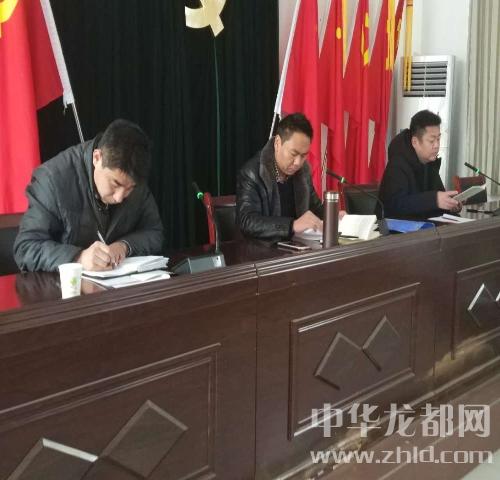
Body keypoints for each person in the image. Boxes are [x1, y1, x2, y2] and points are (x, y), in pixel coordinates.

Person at [14, 119, 164, 272]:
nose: (119, 197)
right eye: (115, 184)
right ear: (97, 158)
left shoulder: (134, 177)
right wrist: (78, 258)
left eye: (129, 189)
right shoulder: (52, 179)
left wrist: (124, 246)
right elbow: (26, 248)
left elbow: (154, 232)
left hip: (120, 283)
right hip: (64, 285)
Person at [237, 113, 327, 241]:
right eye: (293, 154)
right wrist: (292, 225)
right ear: (277, 143)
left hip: (297, 247)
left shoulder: (303, 171)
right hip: (263, 249)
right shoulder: (252, 172)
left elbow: (315, 208)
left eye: (303, 155)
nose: (298, 162)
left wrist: (333, 216)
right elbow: (247, 221)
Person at [378, 109, 461, 219]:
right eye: (431, 141)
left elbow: (436, 202)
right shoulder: (397, 165)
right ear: (415, 142)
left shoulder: (429, 162)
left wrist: (450, 205)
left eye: (438, 139)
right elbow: (395, 205)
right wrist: (434, 200)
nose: (437, 145)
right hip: (396, 228)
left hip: (425, 226)